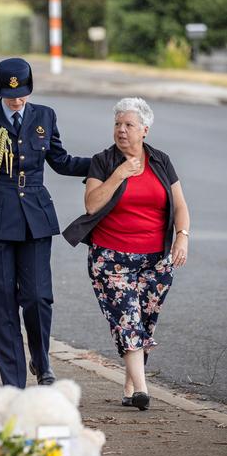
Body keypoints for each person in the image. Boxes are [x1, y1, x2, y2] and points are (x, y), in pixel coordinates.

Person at [0, 58, 90, 388]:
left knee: (37, 297)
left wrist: (104, 163)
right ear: (0, 90)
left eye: (23, 94)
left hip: (35, 217)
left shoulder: (45, 116)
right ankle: (13, 383)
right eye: (10, 95)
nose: (17, 100)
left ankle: (41, 360)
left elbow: (60, 160)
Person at [63, 97, 190, 410]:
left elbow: (180, 204)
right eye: (117, 124)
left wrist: (182, 236)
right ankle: (144, 391)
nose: (121, 130)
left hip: (156, 259)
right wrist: (120, 173)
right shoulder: (103, 162)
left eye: (129, 125)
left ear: (144, 130)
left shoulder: (160, 160)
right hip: (111, 258)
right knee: (127, 321)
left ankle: (130, 387)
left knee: (145, 322)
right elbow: (92, 204)